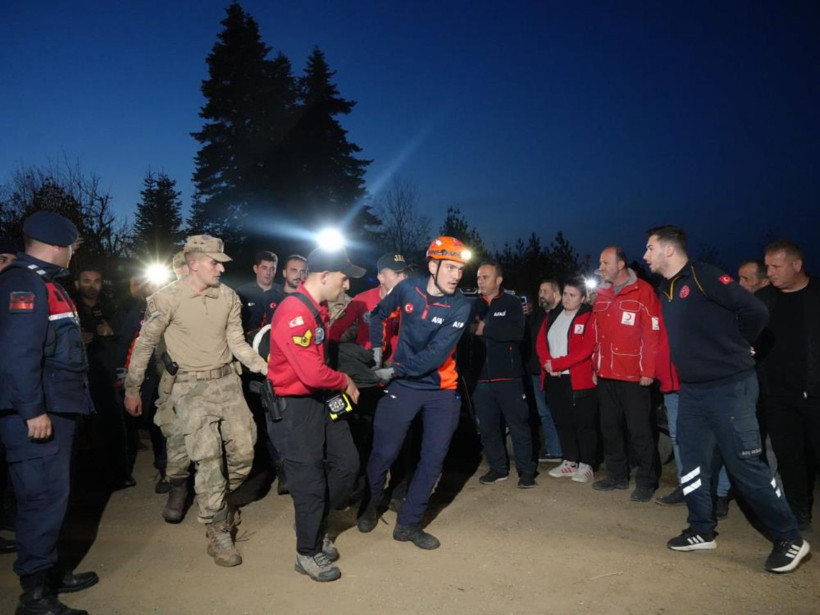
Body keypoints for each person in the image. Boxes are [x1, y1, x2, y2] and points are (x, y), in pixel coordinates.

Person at [644, 225, 809, 574]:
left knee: (745, 466)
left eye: (649, 248)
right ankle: (701, 529)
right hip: (693, 390)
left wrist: (737, 347)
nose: (645, 255)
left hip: (730, 387)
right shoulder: (666, 288)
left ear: (669, 250)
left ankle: (790, 538)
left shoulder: (703, 275)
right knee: (690, 461)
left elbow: (755, 312)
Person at [123, 234, 268, 567]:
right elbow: (145, 346)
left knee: (245, 451)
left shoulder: (228, 297)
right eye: (215, 262)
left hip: (228, 383)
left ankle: (215, 497)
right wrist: (132, 389)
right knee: (207, 459)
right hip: (189, 388)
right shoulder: (166, 298)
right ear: (194, 264)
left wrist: (266, 368)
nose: (220, 267)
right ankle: (217, 529)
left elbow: (238, 343)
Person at [0, 211, 98, 615]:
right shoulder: (23, 283)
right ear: (59, 245)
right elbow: (17, 354)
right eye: (73, 248)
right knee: (40, 499)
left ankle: (52, 573)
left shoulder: (43, 283)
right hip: (38, 413)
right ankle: (35, 594)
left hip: (56, 407)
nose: (73, 255)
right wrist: (32, 410)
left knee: (54, 496)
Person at [357, 236, 472, 550]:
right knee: (384, 452)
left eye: (460, 269)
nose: (456, 275)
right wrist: (379, 348)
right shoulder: (408, 289)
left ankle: (408, 524)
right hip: (404, 387)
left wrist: (392, 369)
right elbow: (378, 314)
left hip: (440, 390)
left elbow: (435, 356)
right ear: (432, 265)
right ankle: (370, 505)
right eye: (450, 267)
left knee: (432, 460)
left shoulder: (460, 305)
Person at [267, 247, 364, 582]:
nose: (346, 284)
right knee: (309, 481)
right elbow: (310, 373)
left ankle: (315, 524)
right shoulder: (295, 311)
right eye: (343, 277)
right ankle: (307, 552)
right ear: (324, 276)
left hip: (322, 400)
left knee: (347, 465)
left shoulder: (317, 307)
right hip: (296, 407)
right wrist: (345, 380)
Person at [759, 240, 820, 534]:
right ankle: (799, 516)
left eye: (775, 266)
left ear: (797, 265)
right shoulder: (764, 299)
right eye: (767, 266)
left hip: (815, 395)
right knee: (789, 458)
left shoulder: (817, 295)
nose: (769, 272)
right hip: (776, 396)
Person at [591, 246, 660, 502]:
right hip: (606, 373)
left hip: (634, 375)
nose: (601, 267)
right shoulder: (602, 294)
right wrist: (595, 366)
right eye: (600, 262)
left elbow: (652, 333)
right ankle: (617, 475)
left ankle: (647, 480)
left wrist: (648, 370)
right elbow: (596, 334)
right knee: (609, 428)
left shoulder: (644, 291)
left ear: (620, 264)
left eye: (605, 262)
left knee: (639, 430)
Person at [472, 262, 537, 488]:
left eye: (485, 277)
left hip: (508, 377)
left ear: (498, 280)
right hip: (481, 379)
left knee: (518, 425)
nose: (480, 281)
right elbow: (466, 334)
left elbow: (516, 332)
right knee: (488, 427)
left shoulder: (511, 303)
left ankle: (527, 472)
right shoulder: (474, 306)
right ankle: (498, 468)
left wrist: (486, 329)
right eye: (478, 277)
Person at [73, 265, 135, 490]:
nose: (92, 285)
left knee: (113, 424)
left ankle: (119, 475)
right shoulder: (70, 307)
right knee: (81, 430)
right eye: (87, 280)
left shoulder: (112, 307)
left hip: (106, 376)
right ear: (78, 284)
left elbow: (128, 336)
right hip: (76, 376)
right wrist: (75, 338)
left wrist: (112, 332)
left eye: (96, 280)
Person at [537, 278, 598, 483]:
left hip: (578, 380)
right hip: (555, 378)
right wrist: (548, 363)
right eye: (565, 294)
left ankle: (586, 464)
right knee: (562, 422)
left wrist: (559, 364)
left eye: (572, 295)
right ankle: (569, 460)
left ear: (582, 298)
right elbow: (541, 342)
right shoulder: (553, 316)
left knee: (583, 423)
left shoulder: (589, 317)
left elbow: (586, 349)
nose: (567, 299)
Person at [527, 279, 563, 462]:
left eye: (545, 291)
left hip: (555, 371)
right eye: (540, 291)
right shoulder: (537, 314)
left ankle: (562, 449)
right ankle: (554, 449)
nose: (541, 295)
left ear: (556, 294)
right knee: (544, 412)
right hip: (535, 371)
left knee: (557, 410)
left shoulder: (562, 314)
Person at [235, 250, 284, 334]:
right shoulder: (242, 292)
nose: (268, 273)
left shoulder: (283, 294)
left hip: (273, 343)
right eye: (264, 268)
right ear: (255, 269)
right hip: (246, 344)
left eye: (272, 269)